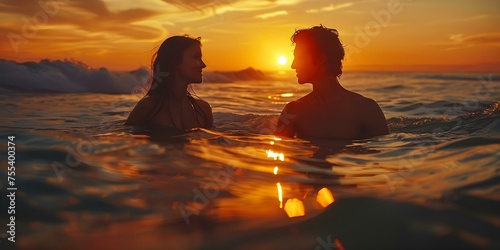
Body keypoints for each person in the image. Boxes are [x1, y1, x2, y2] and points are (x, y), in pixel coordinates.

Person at [274, 25, 389, 140]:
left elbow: (384, 151)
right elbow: (278, 148)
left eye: (299, 57)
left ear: (320, 59)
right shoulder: (293, 111)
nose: (293, 65)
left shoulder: (365, 108)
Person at [125, 35, 213, 132]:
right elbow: (127, 139)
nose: (203, 64)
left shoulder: (203, 109)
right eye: (196, 57)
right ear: (175, 61)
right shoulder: (149, 106)